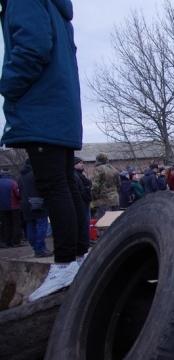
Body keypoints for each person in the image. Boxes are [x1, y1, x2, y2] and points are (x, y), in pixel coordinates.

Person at [0, 0, 86, 301]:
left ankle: (64, 265)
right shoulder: (54, 5)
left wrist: (7, 86)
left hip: (42, 108)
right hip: (61, 108)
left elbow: (33, 47)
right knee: (65, 183)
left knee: (54, 185)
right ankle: (77, 258)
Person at [18, 161, 52, 257]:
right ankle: (40, 249)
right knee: (42, 225)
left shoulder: (21, 177)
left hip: (25, 204)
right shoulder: (36, 174)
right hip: (38, 203)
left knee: (30, 226)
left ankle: (37, 248)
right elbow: (44, 188)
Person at [91, 153, 120, 220]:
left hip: (103, 200)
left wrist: (94, 197)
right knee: (115, 222)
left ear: (97, 160)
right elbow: (118, 184)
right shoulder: (114, 169)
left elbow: (95, 186)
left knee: (103, 222)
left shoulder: (98, 169)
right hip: (115, 199)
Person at [0, 170, 21, 248]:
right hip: (14, 207)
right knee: (16, 224)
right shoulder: (13, 182)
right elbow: (18, 194)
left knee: (6, 224)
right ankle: (16, 242)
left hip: (2, 208)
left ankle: (6, 241)